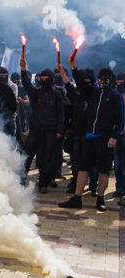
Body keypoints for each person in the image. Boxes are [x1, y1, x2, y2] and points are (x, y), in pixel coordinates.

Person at [59, 57, 124, 212]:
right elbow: (79, 82)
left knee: (103, 170)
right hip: (89, 136)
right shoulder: (93, 92)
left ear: (111, 80)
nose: (103, 81)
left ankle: (100, 198)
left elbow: (120, 118)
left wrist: (114, 136)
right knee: (83, 168)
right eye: (101, 78)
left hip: (105, 138)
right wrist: (73, 66)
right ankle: (77, 197)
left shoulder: (115, 97)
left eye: (106, 78)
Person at [20, 58, 64, 193]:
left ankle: (43, 183)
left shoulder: (56, 94)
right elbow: (27, 84)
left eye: (46, 78)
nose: (44, 80)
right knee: (27, 156)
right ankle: (20, 181)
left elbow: (60, 114)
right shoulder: (36, 92)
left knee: (47, 159)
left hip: (50, 131)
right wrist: (23, 70)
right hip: (35, 130)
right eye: (42, 78)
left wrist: (59, 131)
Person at [56, 65, 99, 195]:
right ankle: (75, 183)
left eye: (88, 82)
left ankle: (93, 186)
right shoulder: (76, 95)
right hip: (77, 133)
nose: (86, 84)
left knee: (92, 161)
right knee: (75, 162)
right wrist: (62, 71)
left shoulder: (96, 95)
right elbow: (68, 84)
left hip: (91, 134)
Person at [114, 72, 125, 198]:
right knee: (117, 163)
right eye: (117, 81)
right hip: (117, 133)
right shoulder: (115, 94)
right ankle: (119, 186)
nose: (118, 83)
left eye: (121, 81)